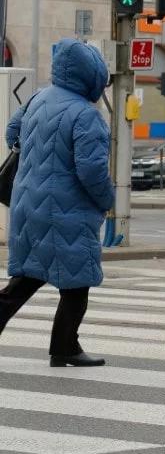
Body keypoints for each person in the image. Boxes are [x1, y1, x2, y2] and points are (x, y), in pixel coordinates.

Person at [0, 39, 113, 367]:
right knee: (77, 283)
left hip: (27, 203)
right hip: (67, 210)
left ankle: (65, 346)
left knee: (27, 278)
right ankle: (64, 347)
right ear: (91, 76)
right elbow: (91, 171)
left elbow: (12, 133)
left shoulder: (38, 99)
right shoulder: (85, 115)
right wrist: (106, 200)